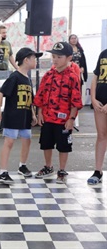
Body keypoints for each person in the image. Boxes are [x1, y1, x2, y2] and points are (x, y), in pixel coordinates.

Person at [33, 42, 83, 184]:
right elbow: (41, 95)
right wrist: (40, 113)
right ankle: (48, 166)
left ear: (69, 58)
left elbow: (76, 101)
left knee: (63, 145)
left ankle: (62, 169)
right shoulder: (48, 75)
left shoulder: (73, 77)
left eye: (59, 57)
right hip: (48, 117)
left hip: (64, 119)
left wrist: (71, 119)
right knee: (46, 143)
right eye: (53, 56)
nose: (55, 60)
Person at [0, 48, 41, 184]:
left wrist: (32, 114)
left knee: (27, 139)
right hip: (13, 115)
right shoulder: (15, 76)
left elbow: (29, 99)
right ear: (26, 60)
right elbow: (1, 93)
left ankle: (22, 165)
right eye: (34, 58)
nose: (36, 61)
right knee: (9, 142)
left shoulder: (27, 79)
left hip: (25, 115)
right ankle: (2, 172)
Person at [87, 49, 107, 185]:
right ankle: (97, 170)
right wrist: (93, 98)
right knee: (101, 135)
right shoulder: (104, 54)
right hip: (100, 101)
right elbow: (95, 77)